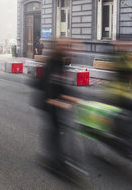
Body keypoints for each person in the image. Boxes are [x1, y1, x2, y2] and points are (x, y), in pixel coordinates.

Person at [38, 39, 81, 172]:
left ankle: (58, 157)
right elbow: (48, 86)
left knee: (60, 128)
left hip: (57, 100)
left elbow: (61, 85)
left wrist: (73, 98)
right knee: (55, 130)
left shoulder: (60, 61)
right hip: (48, 101)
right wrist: (56, 101)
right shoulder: (52, 62)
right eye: (66, 46)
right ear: (59, 47)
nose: (69, 49)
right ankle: (55, 161)